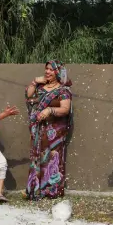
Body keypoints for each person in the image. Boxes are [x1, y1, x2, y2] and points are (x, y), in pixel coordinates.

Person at [23, 60, 73, 200]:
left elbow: (65, 109)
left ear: (58, 72)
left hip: (55, 133)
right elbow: (28, 96)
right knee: (37, 158)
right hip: (38, 130)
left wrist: (50, 110)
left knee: (52, 159)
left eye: (51, 69)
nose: (47, 72)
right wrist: (34, 81)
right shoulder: (40, 87)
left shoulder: (63, 90)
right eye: (46, 69)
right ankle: (35, 188)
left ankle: (52, 190)